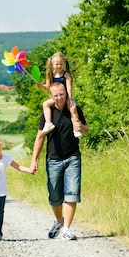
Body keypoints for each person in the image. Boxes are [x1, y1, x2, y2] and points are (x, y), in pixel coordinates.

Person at [30, 82, 88, 241]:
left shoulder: (74, 109)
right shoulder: (47, 113)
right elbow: (40, 137)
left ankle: (67, 229)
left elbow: (86, 130)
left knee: (72, 193)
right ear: (51, 97)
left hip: (72, 157)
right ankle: (58, 221)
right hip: (53, 159)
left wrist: (80, 125)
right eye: (56, 95)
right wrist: (34, 160)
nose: (59, 97)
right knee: (55, 196)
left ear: (66, 93)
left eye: (62, 94)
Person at [36, 52, 81, 138]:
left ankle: (76, 128)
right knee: (45, 104)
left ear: (64, 63)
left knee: (73, 109)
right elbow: (47, 86)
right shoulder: (50, 74)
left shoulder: (66, 74)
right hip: (56, 98)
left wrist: (70, 98)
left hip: (66, 97)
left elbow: (69, 87)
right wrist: (41, 85)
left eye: (61, 64)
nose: (59, 66)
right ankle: (48, 123)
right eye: (57, 64)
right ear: (52, 64)